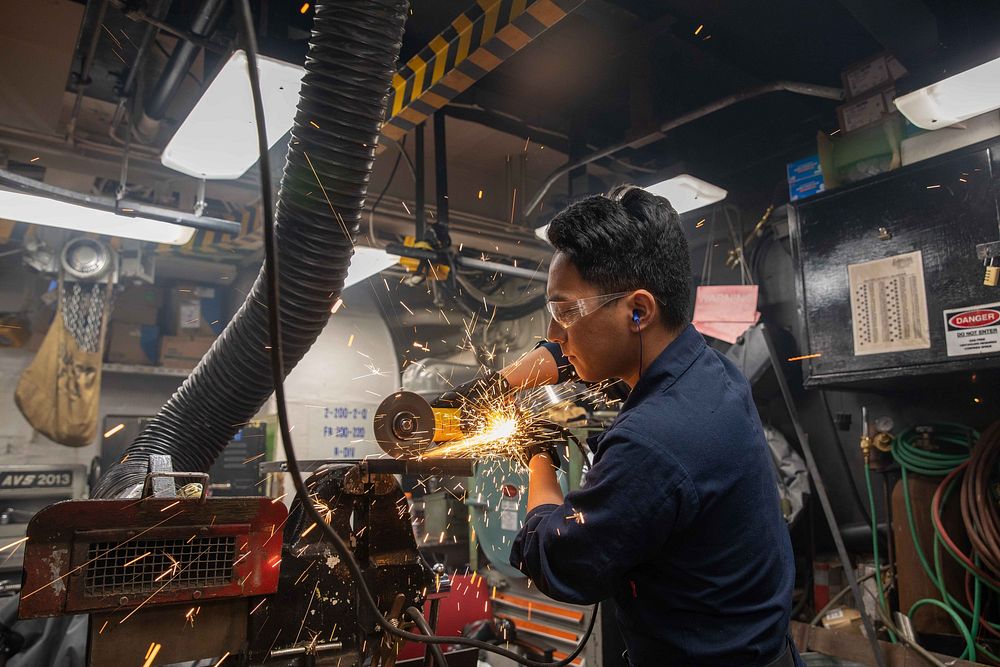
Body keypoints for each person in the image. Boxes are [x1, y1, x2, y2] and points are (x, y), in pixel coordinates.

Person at [437, 185, 802, 666]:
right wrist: (488, 394)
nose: (554, 334)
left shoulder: (651, 441)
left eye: (566, 311)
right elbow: (572, 357)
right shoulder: (707, 369)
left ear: (638, 310)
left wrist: (537, 457)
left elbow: (557, 559)